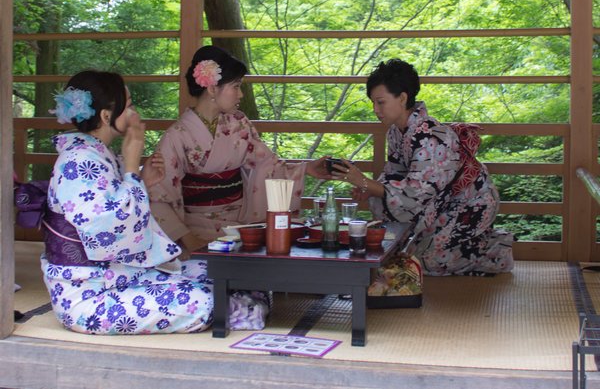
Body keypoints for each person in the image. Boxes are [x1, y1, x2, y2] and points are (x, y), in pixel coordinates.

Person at [42, 70, 217, 334]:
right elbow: (112, 228)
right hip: (90, 295)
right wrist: (133, 164)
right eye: (131, 105)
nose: (136, 114)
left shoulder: (98, 156)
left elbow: (116, 208)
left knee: (215, 273)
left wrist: (141, 181)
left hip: (119, 277)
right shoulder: (78, 162)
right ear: (105, 116)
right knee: (204, 301)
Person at [331, 59, 514, 276]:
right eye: (373, 103)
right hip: (439, 201)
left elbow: (415, 194)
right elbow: (394, 174)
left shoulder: (430, 136)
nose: (375, 110)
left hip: (470, 203)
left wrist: (363, 181)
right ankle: (462, 243)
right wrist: (369, 188)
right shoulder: (397, 131)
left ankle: (494, 252)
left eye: (380, 102)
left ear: (402, 97)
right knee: (400, 257)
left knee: (427, 262)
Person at [149, 45, 330, 257]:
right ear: (212, 88)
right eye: (236, 86)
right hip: (196, 231)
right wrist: (188, 239)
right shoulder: (177, 135)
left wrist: (306, 169)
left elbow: (266, 165)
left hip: (242, 229)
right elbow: (158, 194)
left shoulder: (239, 123)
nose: (241, 94)